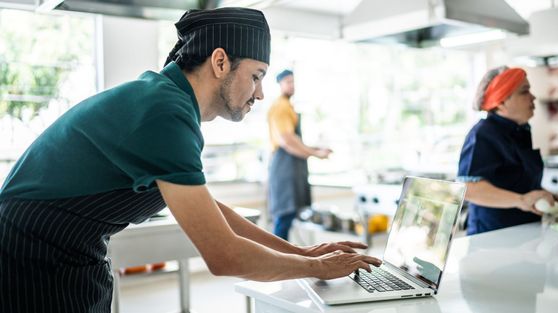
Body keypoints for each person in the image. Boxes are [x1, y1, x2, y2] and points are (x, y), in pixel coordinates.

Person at [0, 8, 380, 313]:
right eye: (256, 76)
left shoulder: (166, 99)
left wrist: (299, 251)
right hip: (33, 256)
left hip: (65, 250)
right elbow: (224, 256)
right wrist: (318, 268)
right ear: (220, 62)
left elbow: (208, 209)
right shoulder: (165, 112)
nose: (260, 93)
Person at [457, 66, 558, 235]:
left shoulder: (521, 131)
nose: (533, 97)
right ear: (501, 101)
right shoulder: (483, 134)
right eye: (525, 92)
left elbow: (516, 182)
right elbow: (469, 189)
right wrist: (522, 200)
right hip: (492, 238)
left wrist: (548, 196)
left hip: (525, 234)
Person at [267, 69, 332, 240]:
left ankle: (286, 260)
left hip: (292, 168)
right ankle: (279, 263)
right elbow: (288, 141)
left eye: (293, 81)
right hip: (284, 168)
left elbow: (295, 140)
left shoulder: (288, 106)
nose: (292, 85)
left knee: (289, 218)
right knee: (284, 217)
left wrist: (315, 149)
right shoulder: (280, 107)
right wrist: (316, 154)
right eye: (288, 81)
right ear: (280, 84)